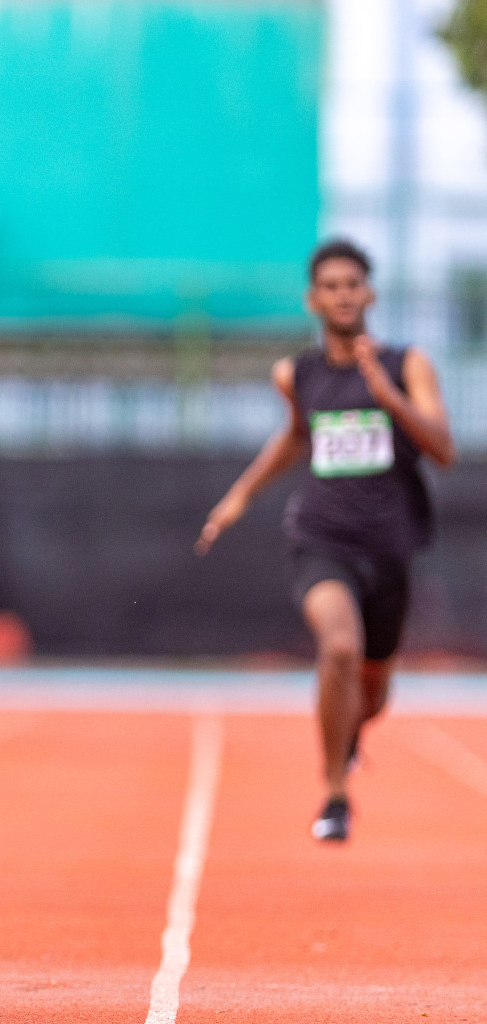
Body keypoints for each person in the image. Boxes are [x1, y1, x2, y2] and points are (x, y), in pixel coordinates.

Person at [197, 238, 452, 843]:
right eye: (331, 286)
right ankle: (336, 794)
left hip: (389, 546)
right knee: (338, 647)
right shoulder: (297, 374)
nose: (343, 295)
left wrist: (388, 397)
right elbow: (294, 436)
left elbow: (443, 448)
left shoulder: (406, 365)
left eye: (353, 284)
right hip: (321, 538)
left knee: (373, 693)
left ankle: (351, 735)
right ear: (313, 299)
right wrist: (240, 496)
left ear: (370, 294)